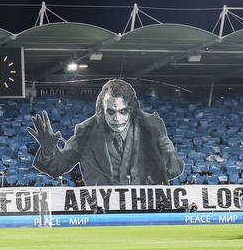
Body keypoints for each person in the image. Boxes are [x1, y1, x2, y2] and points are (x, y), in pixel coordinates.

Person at [28, 79, 184, 186]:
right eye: (111, 112)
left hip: (144, 208)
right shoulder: (86, 131)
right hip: (103, 207)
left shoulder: (152, 126)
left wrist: (170, 154)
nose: (117, 118)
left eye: (123, 111)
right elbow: (56, 168)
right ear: (101, 111)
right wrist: (48, 149)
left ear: (133, 110)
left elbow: (171, 172)